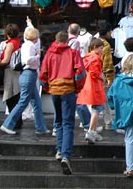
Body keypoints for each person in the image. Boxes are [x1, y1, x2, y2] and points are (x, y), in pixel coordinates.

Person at [39, 31, 86, 175]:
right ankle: (66, 155)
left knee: (58, 121)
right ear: (68, 40)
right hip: (68, 90)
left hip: (54, 90)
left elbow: (43, 74)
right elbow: (80, 73)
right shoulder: (73, 53)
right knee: (68, 123)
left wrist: (49, 87)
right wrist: (77, 88)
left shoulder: (49, 54)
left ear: (56, 39)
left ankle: (59, 150)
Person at [0, 26, 50, 135]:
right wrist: (37, 56)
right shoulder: (30, 46)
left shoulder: (26, 45)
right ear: (34, 37)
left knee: (36, 102)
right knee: (23, 101)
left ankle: (41, 127)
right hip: (29, 74)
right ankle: (7, 124)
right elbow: (27, 60)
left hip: (27, 74)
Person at [78, 38, 108, 143]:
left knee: (95, 108)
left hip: (88, 84)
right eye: (100, 48)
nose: (102, 50)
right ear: (95, 47)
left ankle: (93, 131)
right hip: (95, 85)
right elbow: (95, 73)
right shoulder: (96, 58)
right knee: (97, 108)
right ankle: (91, 131)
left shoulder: (87, 57)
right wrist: (103, 77)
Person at [0, 23, 22, 129]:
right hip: (17, 72)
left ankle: (14, 121)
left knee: (11, 97)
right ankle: (17, 120)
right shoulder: (18, 42)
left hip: (10, 72)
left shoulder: (10, 44)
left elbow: (6, 60)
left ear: (7, 33)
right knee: (16, 96)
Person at [70, 23, 91, 133]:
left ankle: (57, 126)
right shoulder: (76, 42)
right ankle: (87, 124)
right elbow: (76, 59)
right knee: (79, 100)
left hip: (62, 75)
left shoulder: (61, 42)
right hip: (74, 73)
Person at [98, 23, 115, 127]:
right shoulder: (106, 45)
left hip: (93, 73)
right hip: (102, 74)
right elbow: (107, 63)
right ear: (107, 32)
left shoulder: (93, 42)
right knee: (105, 99)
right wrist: (109, 77)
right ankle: (108, 121)